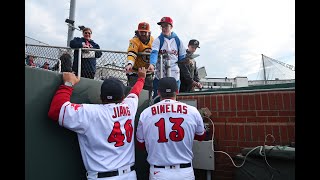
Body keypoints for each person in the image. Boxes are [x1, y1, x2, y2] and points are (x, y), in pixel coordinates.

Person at [48, 67, 148, 180]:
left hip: (102, 177)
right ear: (123, 97)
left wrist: (67, 84)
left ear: (101, 98)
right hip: (128, 175)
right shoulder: (129, 106)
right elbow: (135, 92)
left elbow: (56, 110)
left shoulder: (90, 112)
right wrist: (141, 78)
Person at [136, 77, 206, 180]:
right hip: (185, 172)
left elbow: (140, 144)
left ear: (158, 92)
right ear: (177, 91)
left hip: (159, 173)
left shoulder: (146, 113)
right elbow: (201, 137)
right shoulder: (192, 111)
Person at [149, 16, 187, 99]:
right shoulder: (158, 40)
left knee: (174, 98)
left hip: (174, 74)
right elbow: (154, 53)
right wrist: (152, 64)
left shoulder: (178, 41)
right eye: (162, 26)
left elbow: (182, 58)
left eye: (166, 26)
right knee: (157, 98)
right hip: (160, 74)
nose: (163, 28)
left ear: (171, 27)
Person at [125, 22, 155, 99]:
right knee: (133, 93)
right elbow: (132, 52)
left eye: (145, 32)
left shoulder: (153, 40)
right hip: (135, 73)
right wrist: (130, 64)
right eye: (141, 32)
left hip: (148, 72)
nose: (143, 34)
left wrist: (153, 65)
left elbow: (155, 53)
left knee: (147, 94)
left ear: (149, 32)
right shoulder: (134, 40)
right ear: (138, 32)